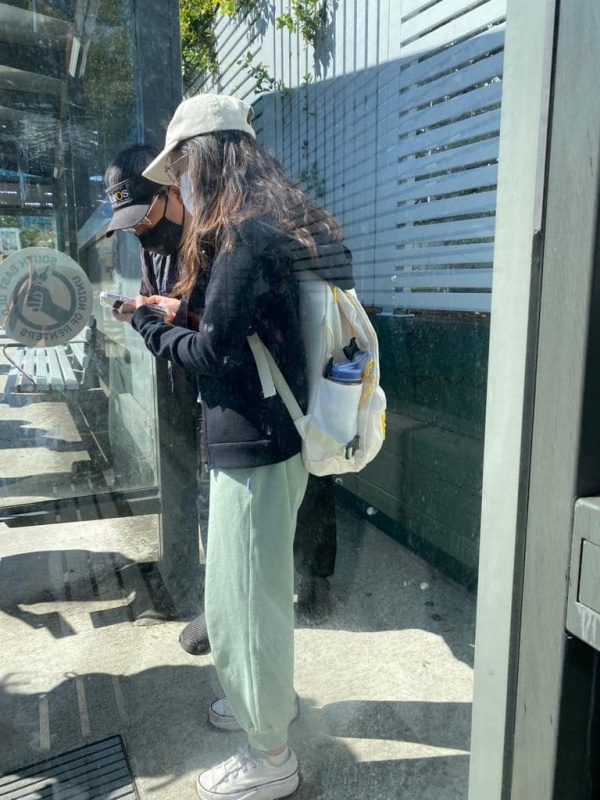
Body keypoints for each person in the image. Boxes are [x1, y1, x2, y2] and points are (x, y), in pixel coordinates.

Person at [129, 93, 353, 800]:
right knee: (255, 595)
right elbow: (248, 327)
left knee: (243, 605)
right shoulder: (280, 219)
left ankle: (271, 754)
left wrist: (149, 324)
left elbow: (215, 353)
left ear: (205, 158)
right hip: (270, 436)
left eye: (181, 169)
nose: (180, 184)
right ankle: (268, 705)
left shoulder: (241, 235)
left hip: (253, 445)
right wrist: (184, 311)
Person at [104, 143, 339, 658]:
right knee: (231, 511)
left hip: (266, 398)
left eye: (143, 218)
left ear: (177, 189)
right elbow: (213, 325)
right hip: (218, 395)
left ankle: (298, 587)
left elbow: (226, 338)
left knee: (287, 499)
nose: (140, 232)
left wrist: (156, 320)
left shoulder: (236, 235)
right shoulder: (176, 242)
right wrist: (172, 312)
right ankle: (230, 602)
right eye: (131, 225)